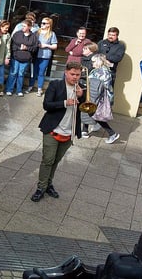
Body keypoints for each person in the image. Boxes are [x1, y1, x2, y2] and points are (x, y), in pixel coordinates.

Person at [31, 62, 84, 202]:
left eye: (78, 75)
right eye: (72, 74)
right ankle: (41, 187)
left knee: (56, 161)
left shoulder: (81, 89)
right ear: (66, 72)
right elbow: (46, 105)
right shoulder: (55, 85)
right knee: (48, 160)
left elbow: (86, 109)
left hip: (69, 131)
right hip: (52, 129)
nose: (75, 77)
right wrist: (65, 103)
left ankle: (49, 184)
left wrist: (82, 96)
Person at [81, 54, 119, 143]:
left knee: (95, 115)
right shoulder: (98, 70)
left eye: (94, 61)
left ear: (99, 61)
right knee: (88, 110)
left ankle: (112, 133)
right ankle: (84, 130)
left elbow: (103, 87)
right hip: (95, 95)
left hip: (99, 97)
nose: (92, 63)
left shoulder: (103, 72)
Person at [5, 19, 38, 97]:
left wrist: (27, 48)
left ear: (29, 27)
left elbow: (35, 48)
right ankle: (9, 89)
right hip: (16, 57)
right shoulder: (17, 34)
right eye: (22, 25)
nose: (22, 27)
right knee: (13, 73)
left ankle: (19, 90)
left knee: (21, 74)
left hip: (26, 59)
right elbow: (12, 45)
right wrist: (19, 48)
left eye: (24, 26)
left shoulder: (33, 37)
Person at [27, 17, 58, 96]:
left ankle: (39, 89)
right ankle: (30, 86)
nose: (42, 24)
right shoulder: (37, 32)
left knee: (41, 73)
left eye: (44, 23)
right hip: (35, 54)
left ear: (48, 25)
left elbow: (55, 46)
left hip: (45, 56)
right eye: (41, 23)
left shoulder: (51, 34)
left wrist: (46, 45)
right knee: (33, 72)